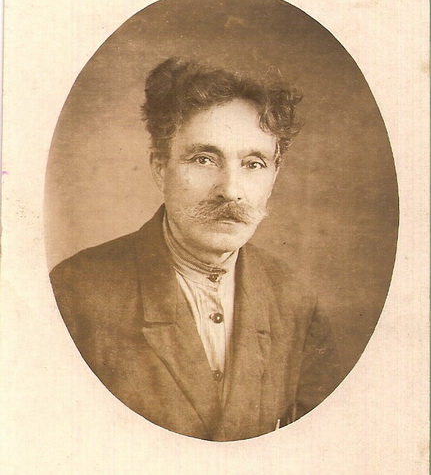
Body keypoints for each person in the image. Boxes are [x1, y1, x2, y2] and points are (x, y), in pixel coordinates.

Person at [50, 57, 341, 441]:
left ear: (274, 176)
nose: (230, 190)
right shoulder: (75, 293)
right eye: (204, 159)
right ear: (160, 168)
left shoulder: (296, 301)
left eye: (254, 164)